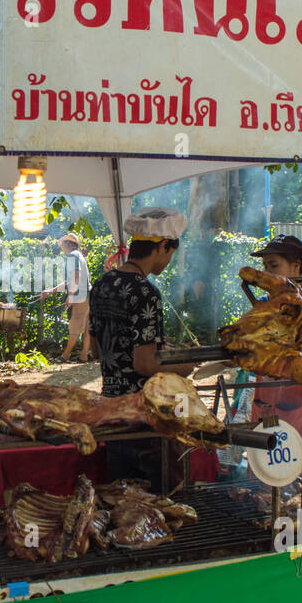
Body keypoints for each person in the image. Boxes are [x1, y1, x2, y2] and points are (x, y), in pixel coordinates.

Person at [88, 207, 195, 483]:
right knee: (159, 503)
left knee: (123, 499)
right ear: (162, 246)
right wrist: (183, 365)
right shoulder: (146, 292)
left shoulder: (102, 284)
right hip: (143, 417)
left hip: (111, 412)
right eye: (170, 253)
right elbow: (144, 364)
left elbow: (97, 350)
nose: (169, 261)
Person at [246, 235, 302, 470]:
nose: (267, 273)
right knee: (268, 467)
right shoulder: (262, 303)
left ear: (296, 266)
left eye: (274, 266)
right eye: (265, 267)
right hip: (266, 396)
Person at [39, 232, 92, 363]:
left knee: (74, 328)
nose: (61, 247)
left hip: (80, 297)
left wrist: (71, 295)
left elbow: (76, 276)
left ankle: (65, 356)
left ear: (68, 244)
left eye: (62, 244)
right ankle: (84, 355)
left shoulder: (72, 256)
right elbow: (68, 282)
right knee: (86, 327)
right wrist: (51, 291)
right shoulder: (78, 256)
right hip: (88, 295)